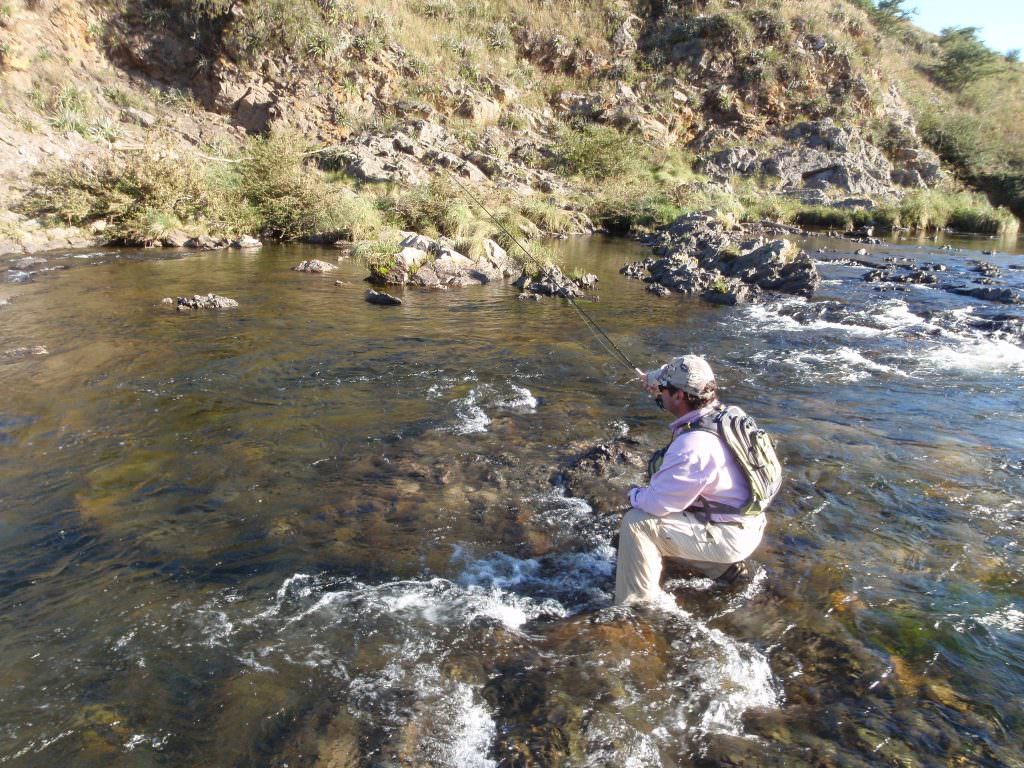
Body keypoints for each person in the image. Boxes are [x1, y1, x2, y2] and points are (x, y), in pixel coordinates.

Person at [614, 354, 767, 605]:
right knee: (678, 497)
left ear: (679, 396)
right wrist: (653, 380)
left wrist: (632, 494)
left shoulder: (694, 446)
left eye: (663, 390)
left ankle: (635, 608)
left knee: (637, 522)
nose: (658, 393)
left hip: (730, 536)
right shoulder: (729, 415)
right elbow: (676, 377)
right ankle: (719, 569)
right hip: (744, 521)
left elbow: (657, 504)